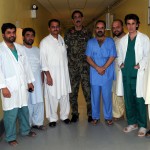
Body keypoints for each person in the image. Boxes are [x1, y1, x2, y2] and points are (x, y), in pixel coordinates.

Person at [0, 23, 36, 146]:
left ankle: (25, 130)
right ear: (3, 34)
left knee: (24, 110)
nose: (12, 35)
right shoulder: (1, 50)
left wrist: (29, 81)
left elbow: (26, 66)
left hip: (22, 85)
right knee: (10, 114)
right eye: (9, 32)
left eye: (13, 32)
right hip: (9, 87)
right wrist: (3, 87)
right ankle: (10, 137)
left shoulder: (20, 48)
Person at [117, 14, 150, 137]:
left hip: (138, 73)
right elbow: (119, 54)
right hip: (126, 73)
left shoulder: (144, 39)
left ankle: (142, 125)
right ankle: (132, 123)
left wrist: (140, 64)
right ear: (126, 25)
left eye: (133, 23)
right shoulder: (123, 40)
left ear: (137, 24)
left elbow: (148, 55)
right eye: (128, 24)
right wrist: (120, 63)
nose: (131, 26)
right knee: (128, 99)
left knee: (139, 100)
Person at [40, 19, 71, 127]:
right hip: (52, 75)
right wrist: (48, 76)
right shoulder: (44, 42)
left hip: (63, 74)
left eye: (57, 26)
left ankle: (64, 116)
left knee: (64, 95)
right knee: (52, 97)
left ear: (60, 28)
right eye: (53, 27)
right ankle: (52, 118)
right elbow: (43, 61)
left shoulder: (61, 39)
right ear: (49, 28)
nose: (55, 28)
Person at [85, 20, 117, 125]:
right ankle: (95, 116)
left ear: (105, 29)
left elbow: (112, 56)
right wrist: (97, 68)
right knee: (95, 96)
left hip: (107, 73)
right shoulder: (90, 42)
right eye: (98, 28)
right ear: (95, 29)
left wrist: (103, 68)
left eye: (102, 27)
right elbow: (88, 57)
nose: (100, 30)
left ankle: (108, 117)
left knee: (107, 96)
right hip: (95, 74)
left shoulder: (110, 41)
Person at [64, 10, 92, 122]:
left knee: (88, 92)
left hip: (86, 68)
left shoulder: (88, 32)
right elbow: (64, 49)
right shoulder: (68, 32)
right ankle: (75, 113)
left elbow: (92, 49)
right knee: (73, 93)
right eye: (75, 17)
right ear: (72, 20)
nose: (77, 19)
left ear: (83, 18)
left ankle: (91, 114)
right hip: (72, 68)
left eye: (79, 17)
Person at [22, 28, 45, 130]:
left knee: (39, 102)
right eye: (28, 35)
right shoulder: (20, 50)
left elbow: (41, 68)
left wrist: (42, 80)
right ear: (23, 37)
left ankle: (38, 123)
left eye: (32, 35)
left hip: (38, 81)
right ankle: (28, 125)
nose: (30, 37)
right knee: (28, 103)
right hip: (26, 82)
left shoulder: (37, 50)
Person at [112, 19, 126, 121]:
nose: (115, 29)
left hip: (126, 71)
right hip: (115, 70)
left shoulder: (128, 38)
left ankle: (130, 114)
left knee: (126, 93)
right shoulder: (113, 40)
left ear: (122, 26)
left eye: (118, 27)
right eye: (113, 28)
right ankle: (118, 114)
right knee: (116, 92)